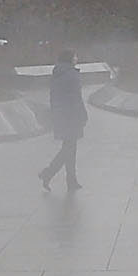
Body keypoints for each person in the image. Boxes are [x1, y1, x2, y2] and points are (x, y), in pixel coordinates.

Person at [39, 49, 88, 192]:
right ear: (70, 59)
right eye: (75, 56)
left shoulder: (57, 74)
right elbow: (76, 98)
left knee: (69, 149)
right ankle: (48, 173)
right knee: (69, 149)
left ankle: (70, 180)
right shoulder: (72, 75)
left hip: (61, 115)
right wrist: (83, 114)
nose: (77, 58)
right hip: (72, 116)